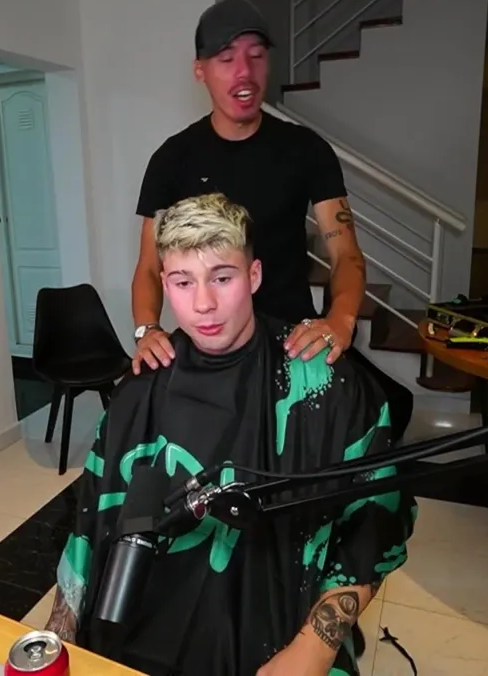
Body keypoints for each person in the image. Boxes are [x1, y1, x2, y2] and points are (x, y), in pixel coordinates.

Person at [46, 194, 415, 676]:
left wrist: (315, 648)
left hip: (279, 637)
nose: (204, 304)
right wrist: (53, 643)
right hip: (140, 637)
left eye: (222, 277)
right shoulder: (140, 391)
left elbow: (377, 522)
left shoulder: (322, 385)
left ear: (254, 276)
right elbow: (88, 529)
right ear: (165, 284)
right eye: (183, 282)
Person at [128, 0, 414, 439]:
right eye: (227, 59)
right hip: (213, 343)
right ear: (200, 70)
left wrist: (340, 321)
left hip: (292, 338)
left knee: (381, 412)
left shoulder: (307, 151)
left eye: (256, 56)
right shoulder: (171, 160)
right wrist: (146, 329)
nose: (244, 72)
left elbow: (345, 256)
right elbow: (150, 266)